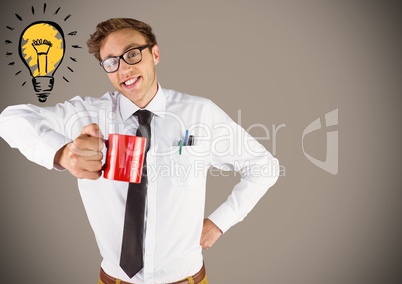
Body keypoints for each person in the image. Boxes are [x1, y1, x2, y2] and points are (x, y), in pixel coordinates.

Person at [0, 18, 279, 284]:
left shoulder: (200, 113)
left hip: (186, 278)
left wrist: (220, 222)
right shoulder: (87, 115)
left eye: (132, 54)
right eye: (111, 62)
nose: (124, 69)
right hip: (114, 278)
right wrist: (61, 153)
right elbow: (10, 118)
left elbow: (264, 167)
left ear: (154, 54)